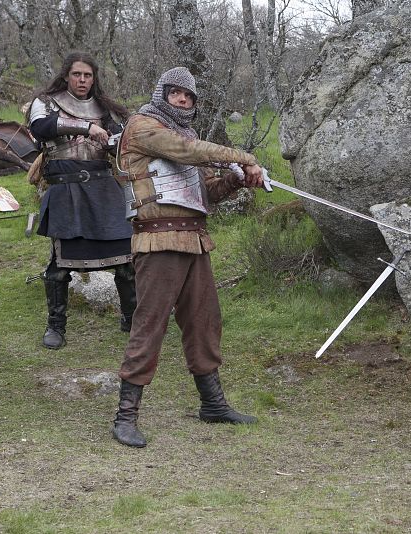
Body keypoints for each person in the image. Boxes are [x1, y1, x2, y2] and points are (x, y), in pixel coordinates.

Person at [111, 67, 265, 448]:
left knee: (204, 322)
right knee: (150, 325)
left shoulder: (186, 138)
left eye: (189, 96)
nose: (182, 100)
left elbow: (204, 196)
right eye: (176, 93)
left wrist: (234, 179)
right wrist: (243, 157)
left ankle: (212, 404)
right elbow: (187, 151)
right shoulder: (143, 127)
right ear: (162, 93)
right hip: (157, 242)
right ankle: (125, 416)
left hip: (195, 241)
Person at [27, 52, 136, 350]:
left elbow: (121, 145)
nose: (82, 80)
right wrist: (87, 128)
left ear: (94, 78)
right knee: (60, 266)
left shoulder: (105, 108)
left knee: (126, 261)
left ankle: (131, 320)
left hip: (103, 189)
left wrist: (115, 141)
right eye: (77, 74)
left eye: (88, 75)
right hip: (65, 190)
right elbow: (40, 128)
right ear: (66, 75)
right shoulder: (46, 102)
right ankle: (56, 327)